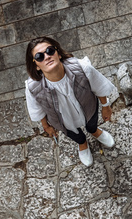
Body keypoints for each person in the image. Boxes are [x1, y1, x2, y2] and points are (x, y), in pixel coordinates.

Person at [25, 36, 117, 166]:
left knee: (91, 122)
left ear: (58, 53)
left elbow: (99, 87)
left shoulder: (82, 68)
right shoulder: (33, 88)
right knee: (73, 133)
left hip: (88, 107)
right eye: (40, 56)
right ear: (37, 65)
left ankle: (95, 131)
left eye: (50, 51)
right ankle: (82, 143)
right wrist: (46, 126)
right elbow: (38, 110)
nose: (47, 57)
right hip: (62, 119)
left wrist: (106, 106)